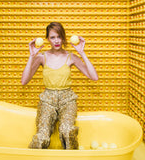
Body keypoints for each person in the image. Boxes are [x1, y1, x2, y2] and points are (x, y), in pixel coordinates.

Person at [21, 22, 98, 150]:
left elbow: (94, 77)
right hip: (47, 100)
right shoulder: (41, 57)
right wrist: (31, 55)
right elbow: (24, 81)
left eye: (59, 37)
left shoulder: (71, 57)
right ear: (47, 39)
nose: (56, 41)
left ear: (63, 38)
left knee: (67, 131)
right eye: (52, 37)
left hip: (67, 99)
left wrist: (82, 53)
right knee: (42, 136)